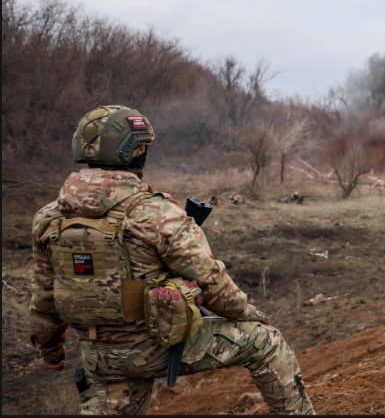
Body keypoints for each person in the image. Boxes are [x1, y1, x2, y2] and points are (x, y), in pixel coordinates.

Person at [29, 104, 315, 415]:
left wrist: (51, 351)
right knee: (266, 342)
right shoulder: (157, 213)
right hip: (154, 349)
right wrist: (251, 314)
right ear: (133, 152)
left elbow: (44, 297)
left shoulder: (48, 218)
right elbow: (212, 283)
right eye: (143, 147)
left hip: (98, 358)